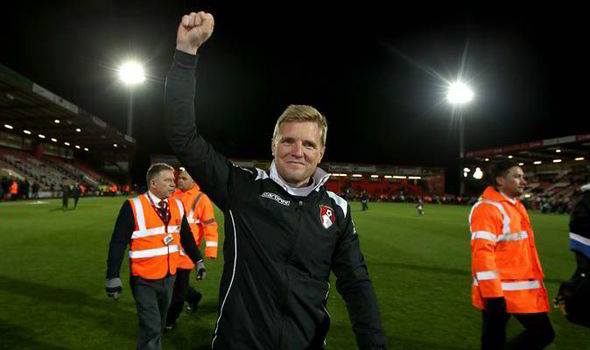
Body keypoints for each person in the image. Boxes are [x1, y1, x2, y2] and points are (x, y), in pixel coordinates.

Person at [165, 11, 386, 349]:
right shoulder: (241, 188)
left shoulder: (337, 210)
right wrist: (185, 54)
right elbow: (183, 138)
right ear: (273, 144)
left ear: (321, 151)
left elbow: (356, 284)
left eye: (309, 144)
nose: (298, 151)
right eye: (288, 140)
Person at [105, 163, 206, 350]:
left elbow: (186, 236)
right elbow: (118, 243)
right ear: (153, 183)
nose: (173, 184)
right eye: (167, 180)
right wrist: (113, 275)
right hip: (144, 279)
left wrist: (198, 259)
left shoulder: (177, 204)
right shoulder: (133, 206)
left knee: (158, 325)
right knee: (151, 328)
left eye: (173, 180)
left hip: (169, 277)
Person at [469, 160, 554, 349]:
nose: (524, 181)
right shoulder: (488, 208)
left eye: (523, 176)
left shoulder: (515, 205)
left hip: (515, 288)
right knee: (542, 333)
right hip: (501, 291)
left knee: (493, 340)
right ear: (500, 181)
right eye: (517, 176)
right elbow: (482, 253)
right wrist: (493, 295)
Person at [165, 170, 219, 330]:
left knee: (177, 292)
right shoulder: (173, 195)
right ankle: (194, 297)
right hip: (169, 249)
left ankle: (170, 320)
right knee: (173, 284)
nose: (179, 181)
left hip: (187, 253)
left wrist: (210, 250)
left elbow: (210, 225)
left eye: (183, 178)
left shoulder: (201, 199)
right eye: (178, 178)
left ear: (194, 182)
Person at [554, 181, 590, 327]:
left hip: (582, 239)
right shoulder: (586, 199)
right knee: (584, 273)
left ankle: (564, 297)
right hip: (583, 240)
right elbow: (580, 221)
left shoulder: (585, 198)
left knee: (582, 272)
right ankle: (567, 301)